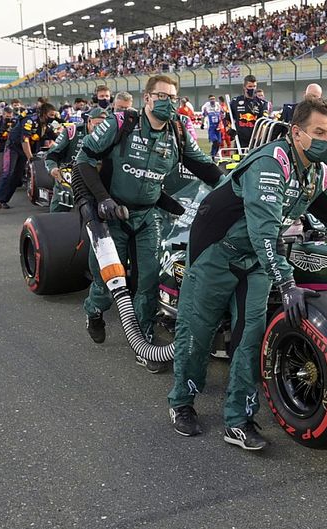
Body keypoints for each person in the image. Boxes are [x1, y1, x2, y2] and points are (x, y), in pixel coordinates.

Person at [166, 97, 327, 450]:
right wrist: (288, 284)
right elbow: (263, 231)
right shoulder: (272, 162)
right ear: (297, 133)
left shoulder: (318, 173)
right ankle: (181, 402)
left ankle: (238, 420)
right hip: (217, 255)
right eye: (319, 132)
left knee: (250, 340)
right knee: (196, 332)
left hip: (257, 262)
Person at [75, 74, 223, 357]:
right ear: (147, 98)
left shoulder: (178, 133)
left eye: (173, 98)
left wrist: (235, 187)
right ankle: (94, 311)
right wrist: (103, 199)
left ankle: (143, 339)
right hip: (111, 216)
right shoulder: (121, 123)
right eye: (162, 96)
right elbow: (84, 159)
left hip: (149, 215)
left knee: (148, 281)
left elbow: (205, 167)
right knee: (106, 282)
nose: (168, 103)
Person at [0, 102, 59, 212]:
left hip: (25, 150)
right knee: (8, 172)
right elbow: (25, 140)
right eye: (51, 115)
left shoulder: (46, 125)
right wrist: (30, 158)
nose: (53, 118)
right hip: (13, 148)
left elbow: (56, 137)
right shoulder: (29, 120)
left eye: (54, 115)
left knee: (17, 176)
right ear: (43, 113)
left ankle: (3, 201)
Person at [45, 107, 106, 212]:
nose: (99, 129)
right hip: (66, 180)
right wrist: (52, 168)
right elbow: (52, 154)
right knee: (57, 216)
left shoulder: (109, 135)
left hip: (94, 181)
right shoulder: (71, 131)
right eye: (97, 125)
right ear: (89, 121)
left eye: (103, 126)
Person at [229, 74, 267, 149]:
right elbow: (227, 118)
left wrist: (258, 138)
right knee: (238, 159)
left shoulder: (262, 103)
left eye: (254, 86)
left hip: (255, 140)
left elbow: (264, 123)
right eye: (250, 86)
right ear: (244, 87)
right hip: (239, 139)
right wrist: (229, 129)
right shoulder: (235, 101)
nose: (252, 89)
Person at [0, 106, 16, 177]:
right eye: (7, 116)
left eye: (10, 116)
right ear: (3, 115)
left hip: (11, 143)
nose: (9, 118)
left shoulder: (15, 121)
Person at [201, 94, 224, 159]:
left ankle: (214, 154)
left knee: (219, 142)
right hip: (211, 127)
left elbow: (222, 114)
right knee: (215, 141)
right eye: (211, 99)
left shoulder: (218, 105)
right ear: (209, 100)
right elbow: (203, 116)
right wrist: (202, 124)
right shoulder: (206, 106)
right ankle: (212, 154)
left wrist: (222, 121)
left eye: (213, 99)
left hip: (218, 126)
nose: (212, 100)